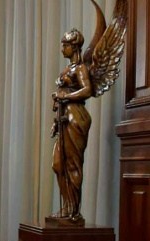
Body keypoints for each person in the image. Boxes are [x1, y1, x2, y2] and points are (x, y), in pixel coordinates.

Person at [50, 28, 92, 223]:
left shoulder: (81, 68)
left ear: (74, 47)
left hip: (76, 117)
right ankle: (66, 206)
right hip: (64, 117)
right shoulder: (67, 69)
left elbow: (87, 90)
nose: (62, 49)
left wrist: (65, 96)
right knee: (58, 164)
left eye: (65, 45)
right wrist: (55, 122)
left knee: (73, 164)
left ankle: (74, 211)